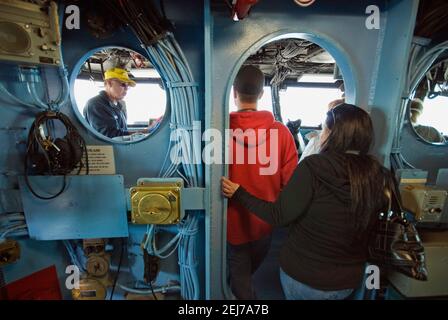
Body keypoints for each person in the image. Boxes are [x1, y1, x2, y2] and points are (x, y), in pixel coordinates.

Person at [222, 103, 393, 300]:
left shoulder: (314, 167)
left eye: (323, 128)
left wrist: (239, 193)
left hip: (303, 276)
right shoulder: (379, 174)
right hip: (348, 281)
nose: (320, 134)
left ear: (333, 134)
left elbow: (279, 216)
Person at [227, 65, 298, 299]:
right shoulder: (283, 133)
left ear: (234, 92)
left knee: (239, 273)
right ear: (261, 94)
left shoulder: (219, 131)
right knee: (245, 273)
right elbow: (291, 183)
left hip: (228, 224)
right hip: (264, 223)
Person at [84, 68, 137, 138]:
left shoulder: (118, 105)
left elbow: (122, 131)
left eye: (128, 86)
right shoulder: (95, 104)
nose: (126, 89)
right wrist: (146, 131)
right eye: (123, 84)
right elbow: (109, 136)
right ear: (109, 83)